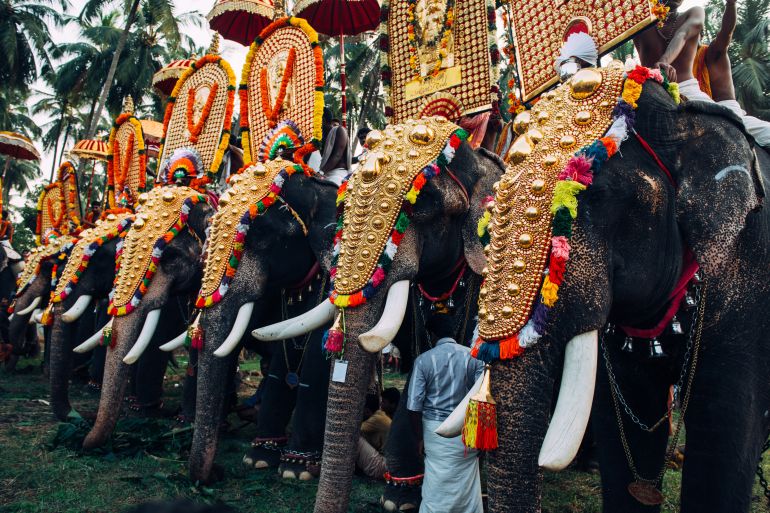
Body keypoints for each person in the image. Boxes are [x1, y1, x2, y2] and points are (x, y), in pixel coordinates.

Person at [634, 0, 770, 146]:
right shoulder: (636, 20)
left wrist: (731, 4)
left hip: (693, 96)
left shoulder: (696, 18)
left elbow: (684, 33)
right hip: (649, 92)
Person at [406, 314, 484, 513]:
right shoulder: (474, 357)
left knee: (436, 478)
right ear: (454, 334)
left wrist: (419, 439)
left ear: (432, 336)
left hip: (434, 430)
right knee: (466, 477)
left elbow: (414, 407)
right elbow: (482, 395)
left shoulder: (423, 361)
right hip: (466, 429)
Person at [694, 0, 770, 146]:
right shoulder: (676, 62)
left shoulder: (713, 52)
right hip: (699, 117)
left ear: (701, 35)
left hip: (730, 112)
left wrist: (730, 5)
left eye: (694, 33)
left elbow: (726, 33)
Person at [356, 393, 388, 479]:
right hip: (390, 465)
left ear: (367, 411)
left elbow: (352, 431)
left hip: (384, 467)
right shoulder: (380, 414)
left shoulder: (376, 420)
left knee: (354, 438)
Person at [319, 108, 350, 185]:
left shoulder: (340, 130)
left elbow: (337, 155)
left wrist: (321, 172)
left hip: (338, 175)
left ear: (323, 119)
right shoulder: (321, 138)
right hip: (324, 174)